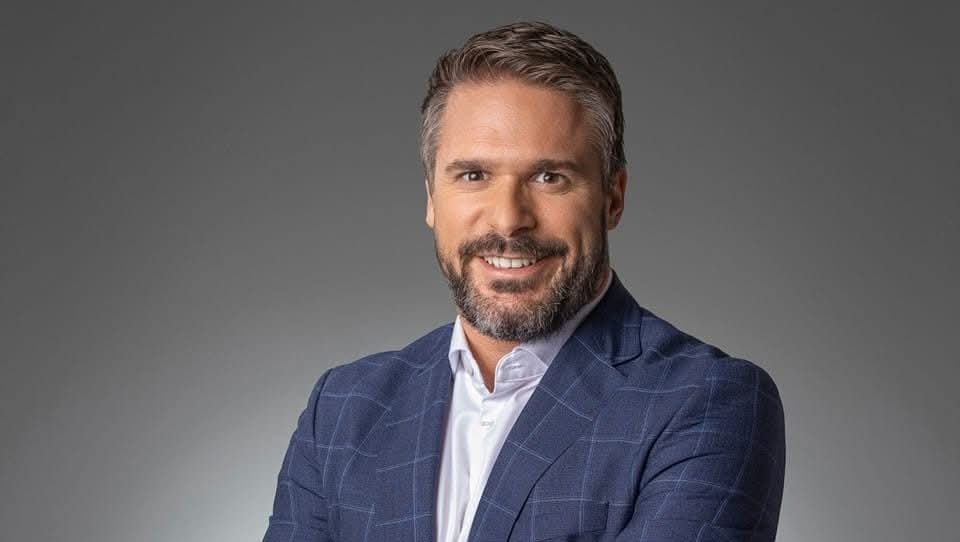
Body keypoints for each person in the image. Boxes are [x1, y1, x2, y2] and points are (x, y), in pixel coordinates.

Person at [263, 21, 785, 542]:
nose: (509, 219)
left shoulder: (708, 403)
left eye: (549, 177)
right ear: (431, 198)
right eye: (473, 176)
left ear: (613, 197)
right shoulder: (344, 410)